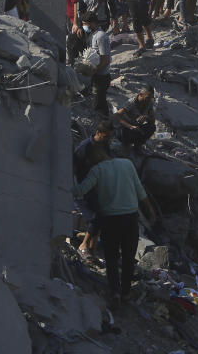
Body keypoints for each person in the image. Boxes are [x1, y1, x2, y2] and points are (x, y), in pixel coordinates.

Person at [71, 144, 156, 307]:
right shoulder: (127, 164)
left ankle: (114, 292)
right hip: (130, 219)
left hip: (110, 220)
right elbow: (140, 191)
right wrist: (151, 210)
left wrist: (66, 188)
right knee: (128, 257)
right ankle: (125, 293)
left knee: (111, 257)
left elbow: (81, 190)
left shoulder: (97, 170)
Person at [72, 120, 115, 258]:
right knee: (96, 218)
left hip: (97, 187)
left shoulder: (105, 146)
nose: (108, 139)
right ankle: (83, 246)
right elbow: (73, 169)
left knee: (103, 217)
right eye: (106, 136)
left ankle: (92, 249)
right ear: (98, 133)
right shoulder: (85, 147)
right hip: (83, 189)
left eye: (110, 137)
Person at [83, 11, 112, 115]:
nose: (84, 26)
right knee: (98, 101)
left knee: (99, 103)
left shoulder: (101, 36)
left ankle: (104, 123)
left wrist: (93, 70)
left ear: (92, 23)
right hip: (96, 75)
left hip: (102, 77)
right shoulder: (92, 34)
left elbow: (105, 60)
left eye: (85, 24)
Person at [114, 85, 156, 152]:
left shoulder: (149, 103)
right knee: (120, 133)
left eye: (151, 98)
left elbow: (152, 120)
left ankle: (138, 145)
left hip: (138, 127)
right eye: (147, 97)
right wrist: (130, 126)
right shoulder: (131, 102)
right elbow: (116, 115)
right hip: (127, 127)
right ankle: (126, 144)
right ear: (141, 94)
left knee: (152, 127)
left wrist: (146, 118)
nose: (149, 100)